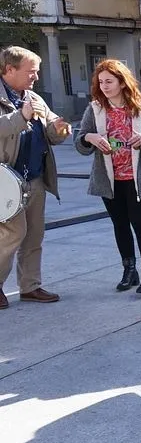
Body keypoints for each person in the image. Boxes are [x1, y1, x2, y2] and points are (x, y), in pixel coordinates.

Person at [75, 59, 141, 294]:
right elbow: (80, 140)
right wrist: (89, 138)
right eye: (101, 82)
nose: (104, 86)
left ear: (122, 82)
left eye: (109, 81)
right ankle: (129, 270)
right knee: (119, 225)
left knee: (140, 223)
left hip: (136, 179)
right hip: (109, 178)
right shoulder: (95, 109)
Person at [0, 46, 73, 310]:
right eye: (31, 72)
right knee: (11, 233)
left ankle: (30, 287)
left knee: (34, 235)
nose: (36, 77)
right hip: (5, 181)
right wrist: (21, 116)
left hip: (34, 178)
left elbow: (52, 130)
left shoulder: (34, 98)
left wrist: (60, 129)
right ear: (10, 70)